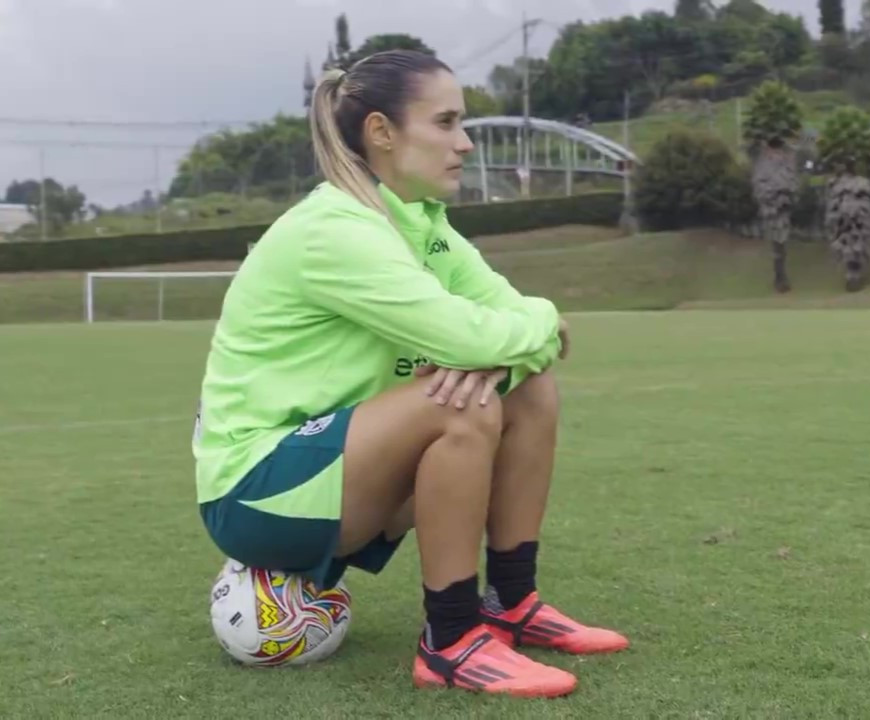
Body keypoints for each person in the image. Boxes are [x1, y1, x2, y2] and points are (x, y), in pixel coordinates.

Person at [192, 49, 627, 699]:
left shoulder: (424, 224)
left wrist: (521, 337)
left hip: (341, 464)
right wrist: (526, 332)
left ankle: (511, 602)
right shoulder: (335, 229)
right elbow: (473, 333)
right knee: (461, 401)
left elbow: (510, 314)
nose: (466, 142)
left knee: (527, 387)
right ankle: (451, 640)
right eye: (447, 123)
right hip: (254, 492)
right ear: (381, 133)